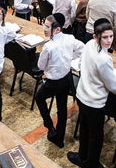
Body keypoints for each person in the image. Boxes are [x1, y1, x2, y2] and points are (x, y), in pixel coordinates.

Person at [68, 19, 116, 168]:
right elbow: (113, 87)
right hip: (94, 102)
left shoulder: (88, 45)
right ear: (96, 36)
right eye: (105, 37)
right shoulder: (104, 59)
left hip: (82, 95)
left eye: (111, 36)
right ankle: (93, 166)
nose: (109, 40)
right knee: (96, 136)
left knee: (85, 128)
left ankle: (82, 157)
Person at [35, 14, 83, 149]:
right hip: (67, 78)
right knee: (62, 109)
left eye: (47, 26)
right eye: (44, 25)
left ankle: (49, 126)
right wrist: (70, 58)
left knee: (39, 98)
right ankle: (59, 138)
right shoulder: (70, 38)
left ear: (57, 29)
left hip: (54, 82)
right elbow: (82, 49)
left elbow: (40, 66)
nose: (44, 28)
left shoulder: (48, 47)